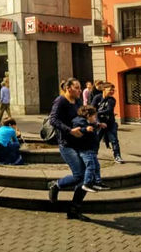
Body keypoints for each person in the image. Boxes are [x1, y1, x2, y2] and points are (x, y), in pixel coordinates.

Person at [48, 77, 106, 221]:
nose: (80, 90)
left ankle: (74, 209)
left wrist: (96, 124)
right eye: (77, 88)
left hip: (80, 142)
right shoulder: (60, 101)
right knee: (79, 174)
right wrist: (69, 130)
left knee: (87, 176)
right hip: (66, 143)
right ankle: (56, 184)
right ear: (68, 89)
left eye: (80, 88)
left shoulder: (78, 101)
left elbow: (85, 116)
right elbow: (53, 120)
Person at [72, 105, 111, 192]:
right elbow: (78, 129)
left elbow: (92, 125)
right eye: (94, 116)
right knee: (91, 166)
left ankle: (97, 182)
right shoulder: (80, 122)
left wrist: (99, 125)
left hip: (91, 149)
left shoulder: (89, 122)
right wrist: (85, 129)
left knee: (96, 166)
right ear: (88, 116)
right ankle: (87, 183)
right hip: (85, 149)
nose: (95, 118)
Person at [92, 83, 124, 163]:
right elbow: (92, 108)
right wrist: (97, 121)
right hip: (99, 123)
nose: (112, 91)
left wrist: (97, 112)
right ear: (104, 89)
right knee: (96, 139)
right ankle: (93, 155)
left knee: (114, 140)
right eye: (110, 90)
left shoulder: (112, 100)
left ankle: (117, 156)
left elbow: (109, 111)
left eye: (113, 90)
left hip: (110, 123)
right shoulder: (97, 98)